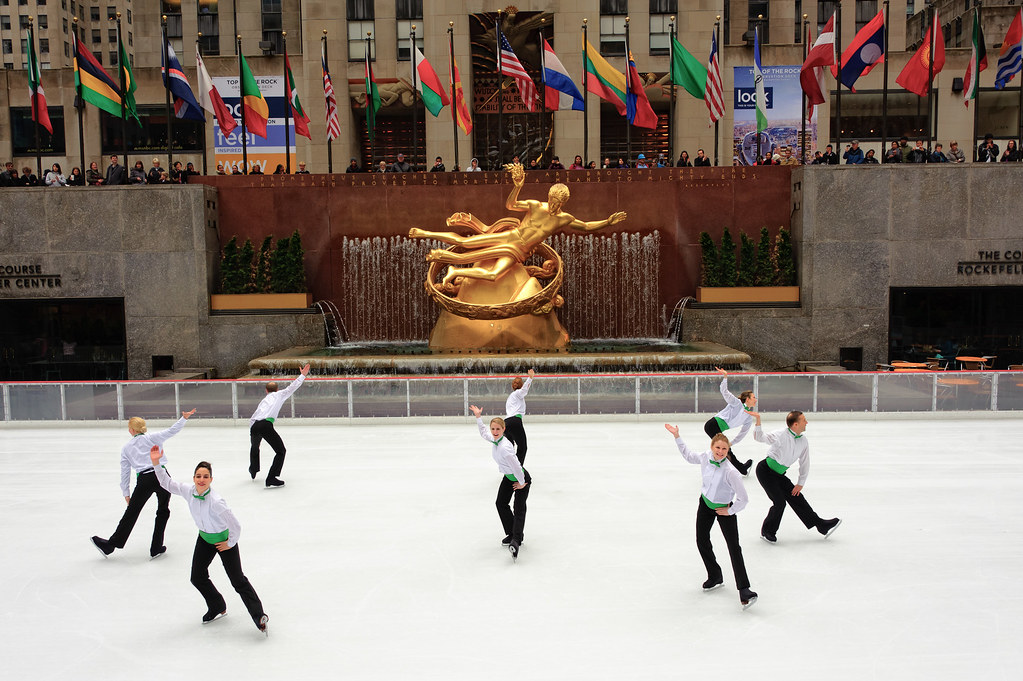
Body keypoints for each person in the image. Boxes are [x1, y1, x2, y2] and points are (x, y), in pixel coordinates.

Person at [409, 162, 626, 285]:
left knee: (493, 275)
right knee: (468, 243)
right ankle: (424, 233)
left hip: (520, 252)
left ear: (563, 202)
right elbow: (511, 205)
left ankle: (455, 271)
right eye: (551, 200)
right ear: (548, 197)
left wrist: (607, 222)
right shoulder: (535, 205)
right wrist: (518, 186)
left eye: (556, 202)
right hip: (510, 237)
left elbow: (586, 226)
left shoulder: (564, 218)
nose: (552, 205)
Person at [149, 447, 268, 634]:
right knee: (197, 577)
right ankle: (217, 605)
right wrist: (156, 463)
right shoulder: (188, 491)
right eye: (198, 476)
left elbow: (236, 525)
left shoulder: (216, 501)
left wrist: (229, 543)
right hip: (204, 538)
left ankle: (259, 616)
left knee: (238, 580)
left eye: (205, 476)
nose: (201, 480)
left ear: (211, 479)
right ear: (194, 478)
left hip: (224, 541)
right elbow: (166, 483)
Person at [664, 424, 758, 609]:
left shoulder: (731, 472)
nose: (721, 452)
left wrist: (729, 511)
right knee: (702, 540)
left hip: (724, 509)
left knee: (734, 547)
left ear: (728, 450)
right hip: (705, 504)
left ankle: (744, 589)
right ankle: (715, 575)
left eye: (724, 449)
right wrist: (677, 436)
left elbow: (744, 499)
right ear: (712, 447)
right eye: (718, 448)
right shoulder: (705, 458)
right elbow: (688, 455)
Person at [90, 408, 197, 559]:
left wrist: (126, 493)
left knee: (132, 513)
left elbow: (125, 473)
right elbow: (172, 431)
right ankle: (156, 547)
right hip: (161, 475)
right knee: (163, 510)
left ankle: (111, 545)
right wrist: (184, 418)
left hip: (144, 480)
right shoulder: (153, 438)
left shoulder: (126, 448)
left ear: (131, 430)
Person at [753, 410, 841, 543]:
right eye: (804, 420)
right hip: (765, 471)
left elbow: (805, 462)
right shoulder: (781, 434)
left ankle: (820, 525)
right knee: (779, 502)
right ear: (795, 424)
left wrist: (800, 483)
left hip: (780, 475)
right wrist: (758, 421)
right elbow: (760, 437)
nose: (806, 422)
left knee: (797, 497)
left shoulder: (803, 441)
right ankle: (767, 532)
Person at [470, 405, 530, 559]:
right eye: (493, 429)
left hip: (520, 477)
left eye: (498, 429)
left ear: (504, 429)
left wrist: (522, 483)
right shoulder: (495, 439)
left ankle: (516, 540)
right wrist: (478, 417)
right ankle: (512, 533)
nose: (495, 432)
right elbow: (484, 433)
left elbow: (517, 466)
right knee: (500, 503)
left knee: (519, 509)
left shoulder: (505, 448)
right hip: (508, 477)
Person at [248, 363, 310, 488]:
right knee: (281, 451)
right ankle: (271, 478)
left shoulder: (263, 401)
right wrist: (302, 375)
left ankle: (253, 469)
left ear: (266, 391)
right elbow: (292, 387)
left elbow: (254, 416)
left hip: (255, 425)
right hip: (266, 425)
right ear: (276, 389)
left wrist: (253, 432)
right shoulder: (280, 394)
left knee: (255, 447)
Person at [703, 368, 756, 475]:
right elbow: (724, 392)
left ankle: (731, 467)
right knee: (724, 448)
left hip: (717, 427)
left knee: (723, 448)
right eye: (754, 397)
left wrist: (732, 442)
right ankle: (740, 468)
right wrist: (725, 377)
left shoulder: (749, 417)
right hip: (713, 425)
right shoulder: (737, 403)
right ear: (747, 399)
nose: (756, 399)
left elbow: (742, 433)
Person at [504, 368, 534, 465]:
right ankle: (517, 469)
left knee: (510, 446)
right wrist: (530, 378)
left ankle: (508, 467)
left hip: (506, 423)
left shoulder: (511, 396)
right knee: (522, 447)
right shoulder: (518, 394)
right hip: (515, 421)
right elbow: (524, 390)